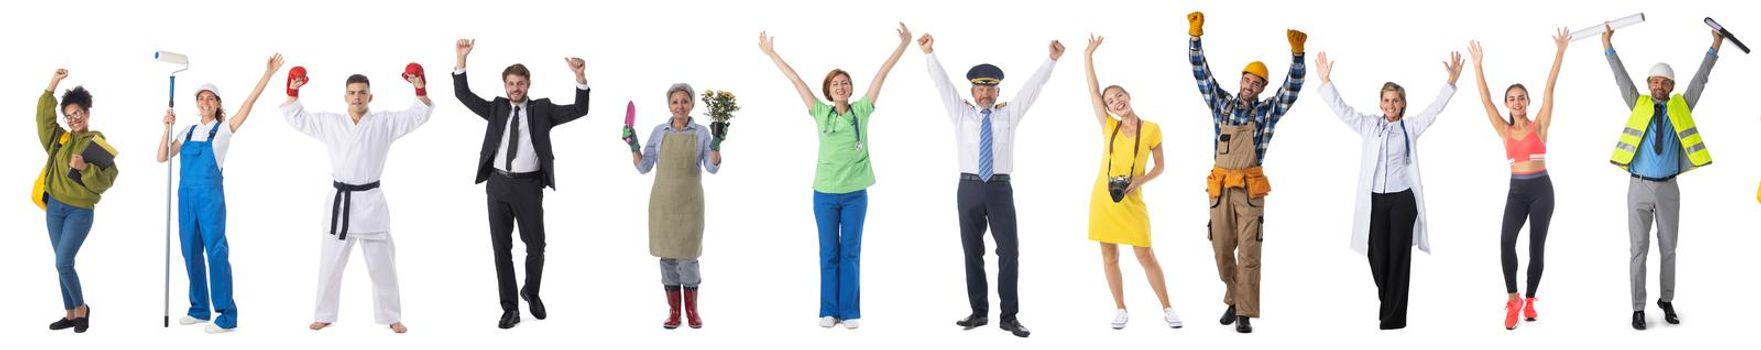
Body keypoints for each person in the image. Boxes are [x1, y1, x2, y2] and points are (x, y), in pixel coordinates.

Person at [758, 23, 909, 330]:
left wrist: (903, 45)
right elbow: (796, 79)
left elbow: (882, 74)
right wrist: (771, 53)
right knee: (828, 253)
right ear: (828, 90)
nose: (840, 87)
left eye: (845, 83)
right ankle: (828, 310)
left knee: (851, 253)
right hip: (824, 195)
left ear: (851, 88)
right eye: (835, 84)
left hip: (855, 196)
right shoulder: (819, 112)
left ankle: (850, 312)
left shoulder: (862, 111)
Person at [919, 29, 1061, 338]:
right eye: (980, 90)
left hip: (999, 188)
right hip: (968, 187)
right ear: (972, 91)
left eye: (991, 90)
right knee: (972, 250)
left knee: (1009, 250)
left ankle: (1009, 316)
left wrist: (1050, 61)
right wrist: (930, 53)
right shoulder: (962, 114)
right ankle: (979, 312)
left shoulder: (1008, 115)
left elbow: (1032, 89)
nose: (985, 95)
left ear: (997, 91)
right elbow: (942, 85)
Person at [1315, 49, 1462, 330]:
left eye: (1395, 100)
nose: (1390, 104)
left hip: (1403, 200)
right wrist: (1326, 81)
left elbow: (1434, 110)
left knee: (1399, 256)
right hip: (1375, 200)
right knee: (1377, 253)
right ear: (1381, 103)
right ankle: (1389, 299)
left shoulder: (1410, 127)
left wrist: (1451, 83)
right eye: (1386, 100)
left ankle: (1393, 319)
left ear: (1403, 103)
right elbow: (1343, 110)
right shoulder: (1370, 126)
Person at [281, 63, 433, 334]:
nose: (357, 97)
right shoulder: (331, 123)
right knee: (329, 264)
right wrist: (292, 90)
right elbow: (298, 117)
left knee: (382, 265)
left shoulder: (384, 123)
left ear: (370, 96)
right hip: (340, 202)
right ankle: (324, 314)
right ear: (345, 96)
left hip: (370, 201)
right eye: (352, 92)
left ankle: (392, 316)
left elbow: (417, 115)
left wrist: (419, 86)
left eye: (362, 92)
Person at [451, 38, 593, 329]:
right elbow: (463, 95)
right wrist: (461, 59)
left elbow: (580, 110)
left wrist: (580, 78)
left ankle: (531, 291)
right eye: (510, 84)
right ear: (505, 86)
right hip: (498, 185)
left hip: (529, 187)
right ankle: (510, 307)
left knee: (536, 246)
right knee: (501, 248)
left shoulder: (542, 110)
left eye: (520, 84)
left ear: (529, 84)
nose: (515, 89)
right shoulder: (497, 108)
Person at [1185, 11, 1307, 334]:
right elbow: (1201, 74)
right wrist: (1195, 37)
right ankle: (1233, 297)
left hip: (1251, 192)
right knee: (1222, 249)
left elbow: (1291, 90)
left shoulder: (1267, 113)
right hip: (1220, 188)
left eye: (1257, 83)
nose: (1250, 86)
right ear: (1240, 80)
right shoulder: (1221, 104)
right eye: (1247, 80)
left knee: (1250, 253)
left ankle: (1244, 313)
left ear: (1262, 88)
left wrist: (1298, 57)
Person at [1601, 23, 1725, 331]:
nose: (1659, 85)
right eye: (1655, 81)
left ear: (1671, 87)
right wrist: (1607, 45)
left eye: (1665, 82)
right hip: (1638, 188)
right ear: (1648, 84)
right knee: (1638, 250)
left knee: (1669, 248)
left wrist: (1715, 46)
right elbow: (1620, 79)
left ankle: (1666, 300)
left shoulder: (1682, 107)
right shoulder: (1638, 104)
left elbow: (1701, 80)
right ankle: (1638, 307)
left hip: (1669, 188)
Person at [154, 54, 284, 334]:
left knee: (215, 251)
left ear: (217, 104)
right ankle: (199, 308)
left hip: (210, 200)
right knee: (190, 252)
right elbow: (162, 156)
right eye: (201, 98)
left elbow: (248, 104)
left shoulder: (223, 130)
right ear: (197, 103)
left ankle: (226, 314)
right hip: (186, 199)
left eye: (211, 99)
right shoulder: (186, 130)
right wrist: (167, 127)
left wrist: (268, 75)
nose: (205, 102)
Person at [1466, 29, 1567, 330]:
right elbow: (1485, 101)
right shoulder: (1504, 130)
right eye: (1511, 99)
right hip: (1517, 192)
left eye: (1521, 97)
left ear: (1527, 101)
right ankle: (1514, 300)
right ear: (1508, 104)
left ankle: (1531, 300)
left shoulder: (1541, 124)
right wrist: (1477, 65)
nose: (1517, 101)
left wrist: (1560, 52)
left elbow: (1550, 86)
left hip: (1541, 191)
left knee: (1536, 248)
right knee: (1506, 240)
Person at [1084, 34, 1181, 332]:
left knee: (1145, 255)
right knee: (1109, 255)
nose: (1115, 102)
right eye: (1110, 101)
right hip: (1104, 200)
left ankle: (1168, 307)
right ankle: (1121, 308)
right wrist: (1088, 55)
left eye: (1119, 96)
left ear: (1129, 95)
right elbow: (1093, 89)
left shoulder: (1151, 129)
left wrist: (1141, 180)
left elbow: (1161, 166)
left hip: (1132, 200)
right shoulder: (1109, 126)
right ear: (1109, 108)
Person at [625, 83, 724, 330]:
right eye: (675, 102)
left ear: (692, 104)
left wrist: (717, 144)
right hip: (663, 205)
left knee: (688, 258)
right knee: (667, 258)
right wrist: (633, 146)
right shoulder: (659, 132)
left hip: (690, 204)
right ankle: (674, 311)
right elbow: (643, 167)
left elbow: (712, 168)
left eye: (685, 101)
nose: (680, 106)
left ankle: (692, 311)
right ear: (669, 105)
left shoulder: (702, 132)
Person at [36, 68, 120, 334]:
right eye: (69, 116)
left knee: (62, 263)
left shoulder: (97, 141)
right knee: (63, 264)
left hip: (79, 212)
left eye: (78, 114)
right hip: (54, 209)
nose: (73, 119)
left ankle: (82, 309)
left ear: (87, 113)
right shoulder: (60, 139)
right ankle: (70, 313)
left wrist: (85, 167)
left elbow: (107, 180)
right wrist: (52, 84)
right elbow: (43, 121)